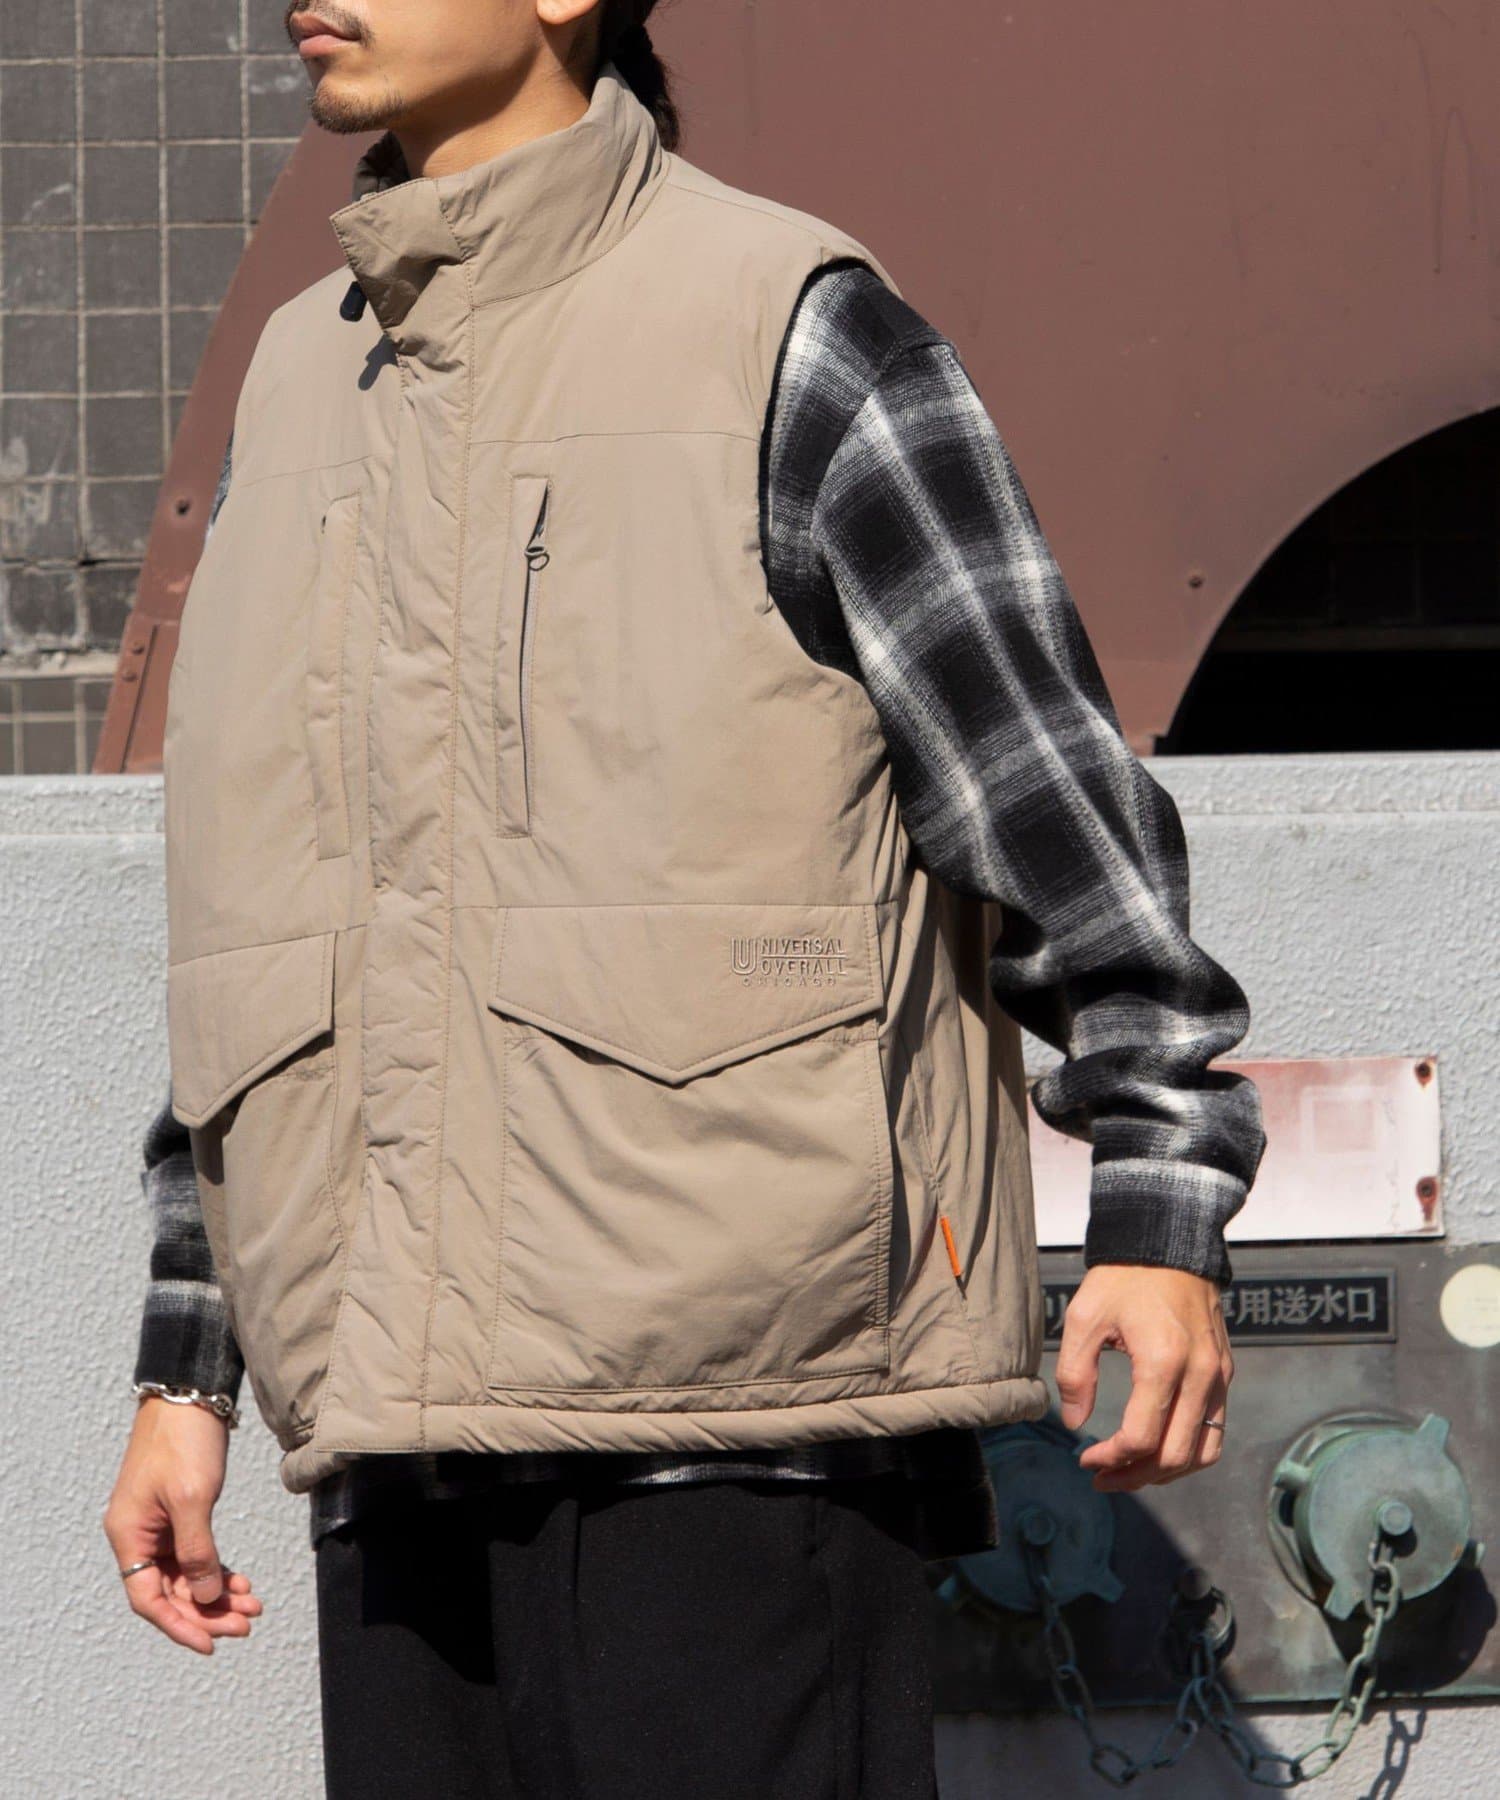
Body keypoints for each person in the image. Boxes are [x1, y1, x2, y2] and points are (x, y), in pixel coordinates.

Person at [103, 3, 1267, 1795]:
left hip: (747, 1444)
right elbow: (270, 922)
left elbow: (1053, 810)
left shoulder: (790, 332)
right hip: (398, 1460)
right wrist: (189, 1374)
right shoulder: (294, 382)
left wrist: (1159, 1205)